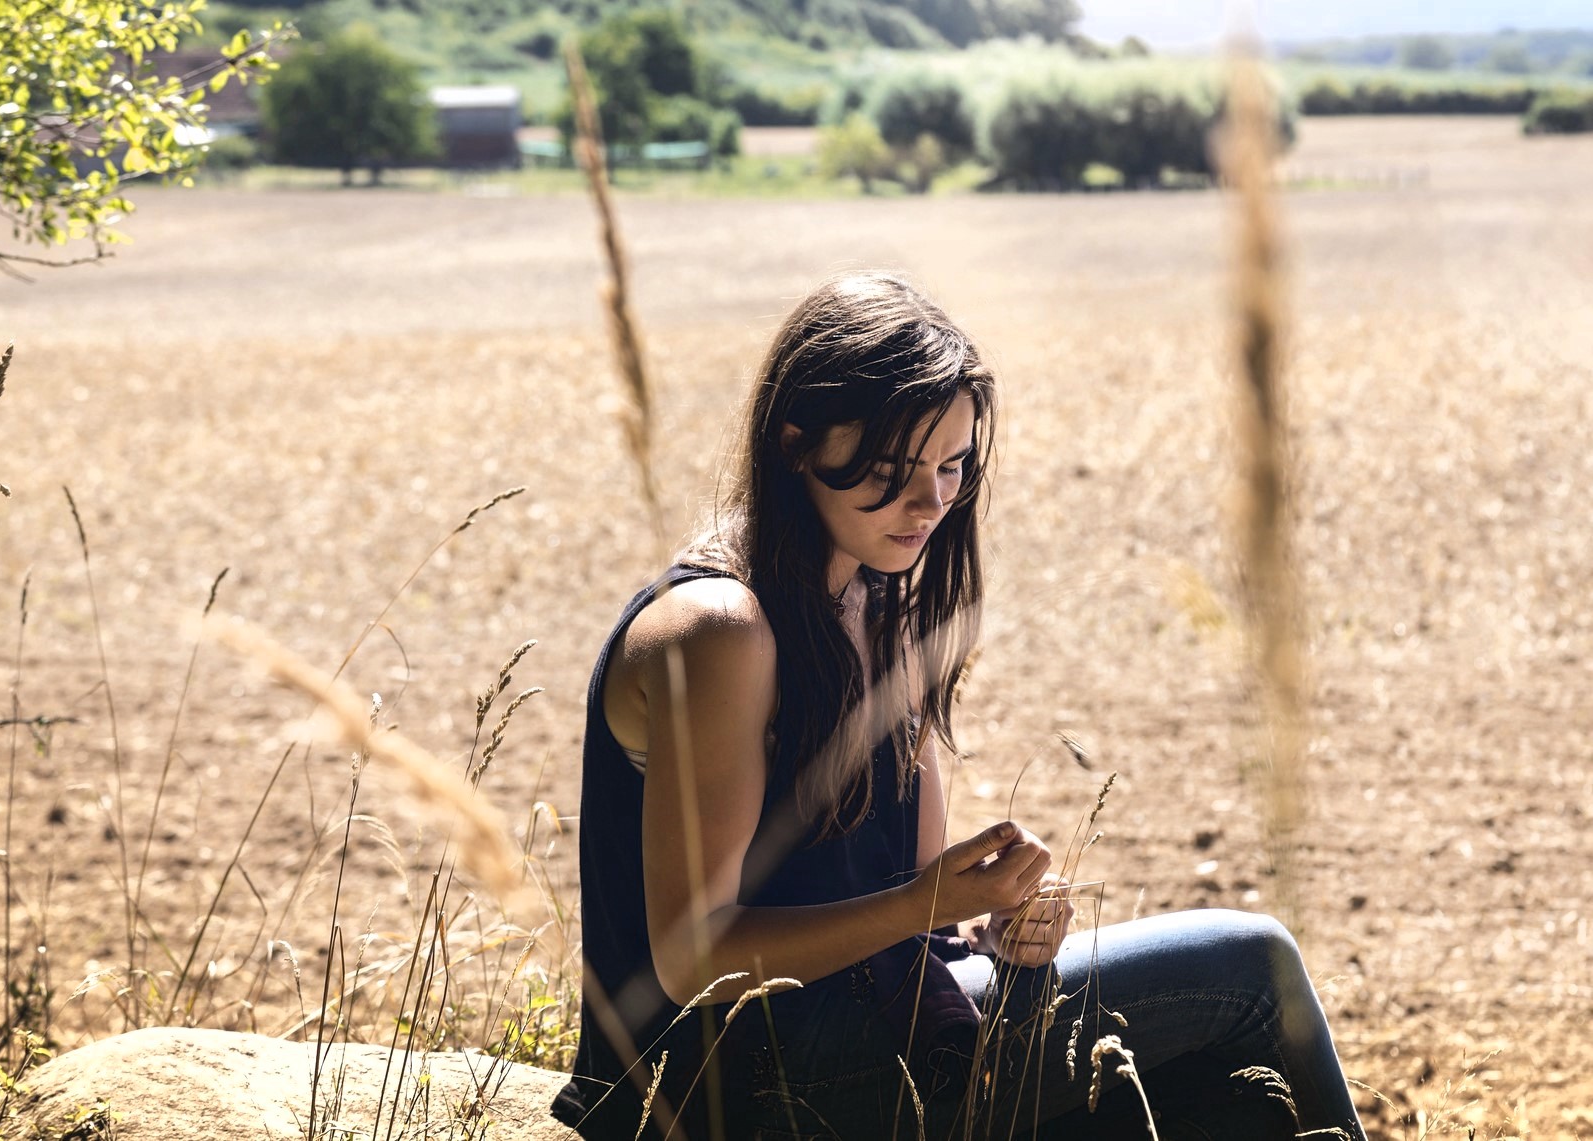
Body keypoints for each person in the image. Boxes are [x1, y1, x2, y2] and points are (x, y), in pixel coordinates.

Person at [551, 272, 1367, 1140]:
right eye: (900, 469)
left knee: (1223, 1094)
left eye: (953, 465)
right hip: (727, 1086)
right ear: (796, 440)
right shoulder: (720, 630)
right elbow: (690, 960)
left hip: (864, 1032)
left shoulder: (877, 602)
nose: (934, 501)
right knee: (1251, 965)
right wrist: (921, 908)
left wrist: (996, 929)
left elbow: (907, 904)